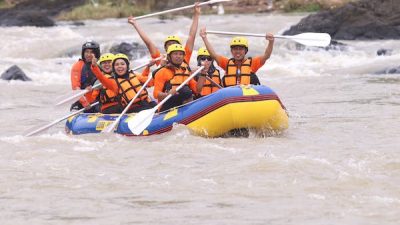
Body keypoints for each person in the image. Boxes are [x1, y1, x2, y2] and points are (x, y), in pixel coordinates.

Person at [127, 2, 201, 67]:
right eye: (169, 44)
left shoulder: (184, 56)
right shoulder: (160, 58)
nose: (172, 46)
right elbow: (148, 43)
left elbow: (192, 36)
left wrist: (196, 14)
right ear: (165, 49)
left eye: (175, 44)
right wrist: (135, 24)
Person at [199, 27, 275, 87]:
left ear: (245, 51)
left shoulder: (252, 63)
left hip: (246, 96)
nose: (238, 52)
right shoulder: (227, 63)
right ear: (231, 51)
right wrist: (204, 38)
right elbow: (213, 55)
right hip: (231, 97)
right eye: (235, 49)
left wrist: (271, 42)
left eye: (240, 49)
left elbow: (266, 55)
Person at [90, 53, 156, 113]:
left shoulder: (135, 75)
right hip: (131, 108)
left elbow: (151, 82)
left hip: (146, 102)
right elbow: (102, 78)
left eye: (122, 64)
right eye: (117, 65)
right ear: (114, 68)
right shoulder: (114, 83)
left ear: (127, 66)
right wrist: (94, 67)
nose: (119, 66)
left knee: (155, 105)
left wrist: (155, 67)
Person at [153, 44, 200, 111]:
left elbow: (197, 90)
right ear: (169, 57)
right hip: (167, 105)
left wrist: (203, 75)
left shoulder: (186, 71)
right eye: (175, 54)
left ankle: (189, 111)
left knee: (186, 91)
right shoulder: (162, 72)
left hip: (182, 104)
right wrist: (167, 94)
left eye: (181, 54)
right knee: (184, 90)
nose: (178, 56)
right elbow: (155, 94)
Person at [70, 40, 101, 113]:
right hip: (83, 103)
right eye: (86, 52)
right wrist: (84, 102)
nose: (88, 54)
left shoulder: (102, 64)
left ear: (96, 53)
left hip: (98, 101)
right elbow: (75, 87)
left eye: (92, 52)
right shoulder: (78, 66)